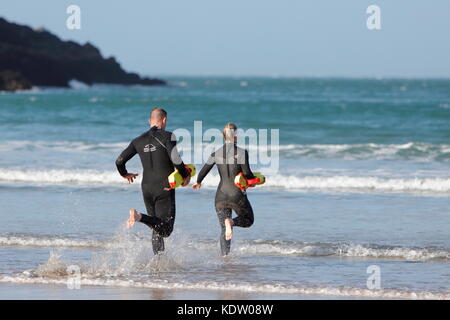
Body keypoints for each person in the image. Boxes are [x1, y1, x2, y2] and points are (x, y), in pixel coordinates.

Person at [115, 107, 190, 255]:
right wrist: (185, 175)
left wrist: (125, 174)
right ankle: (139, 216)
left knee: (156, 225)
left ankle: (158, 264)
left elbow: (119, 161)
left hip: (147, 188)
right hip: (164, 187)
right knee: (166, 229)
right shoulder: (168, 136)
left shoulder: (138, 140)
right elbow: (175, 159)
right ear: (164, 120)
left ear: (150, 121)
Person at [193, 123, 255, 256]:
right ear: (236, 135)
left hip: (220, 196)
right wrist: (255, 179)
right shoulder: (242, 152)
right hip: (236, 194)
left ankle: (225, 258)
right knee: (248, 219)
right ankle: (232, 221)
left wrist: (198, 182)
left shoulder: (215, 153)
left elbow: (203, 171)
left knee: (223, 229)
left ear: (223, 136)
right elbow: (248, 173)